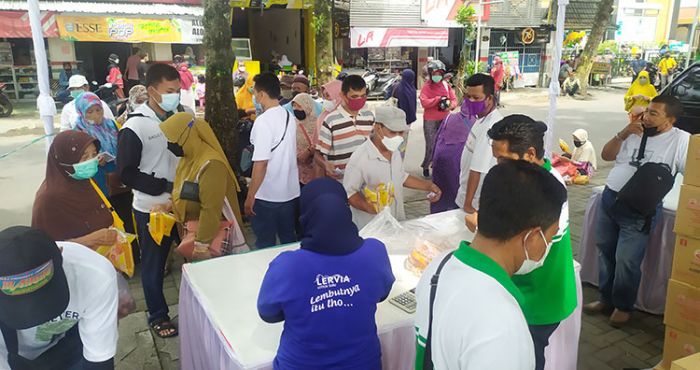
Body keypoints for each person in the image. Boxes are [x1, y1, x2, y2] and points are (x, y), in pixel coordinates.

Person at [415, 160, 567, 370]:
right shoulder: (502, 323)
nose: (548, 246)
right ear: (531, 237)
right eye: (549, 238)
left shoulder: (440, 266)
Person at [257, 178, 395, 370]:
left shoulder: (287, 266)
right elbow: (382, 293)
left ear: (304, 216)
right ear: (346, 210)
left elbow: (268, 313)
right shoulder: (375, 252)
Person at [585, 95, 689, 326]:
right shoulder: (634, 132)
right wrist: (623, 133)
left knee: (626, 260)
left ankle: (623, 305)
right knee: (605, 250)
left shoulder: (680, 140)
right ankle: (605, 298)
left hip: (639, 209)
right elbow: (606, 156)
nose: (646, 117)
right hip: (610, 198)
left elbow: (691, 171)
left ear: (670, 120)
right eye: (647, 111)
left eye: (654, 113)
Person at [486, 116, 577, 370]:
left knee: (526, 359)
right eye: (496, 158)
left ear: (530, 153)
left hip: (539, 300)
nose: (498, 166)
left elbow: (530, 258)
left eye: (504, 160)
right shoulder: (528, 179)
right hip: (528, 295)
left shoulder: (549, 190)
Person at [117, 63, 182, 338]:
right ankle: (158, 315)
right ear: (153, 91)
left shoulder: (182, 116)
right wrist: (160, 186)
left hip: (183, 202)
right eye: (170, 91)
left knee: (198, 254)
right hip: (151, 208)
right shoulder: (136, 126)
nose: (175, 96)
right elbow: (126, 173)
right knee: (154, 264)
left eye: (178, 90)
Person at [0, 226, 118, 370]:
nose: (37, 314)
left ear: (61, 254)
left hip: (69, 345)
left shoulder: (95, 275)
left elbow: (99, 360)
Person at [160, 112, 244, 261]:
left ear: (186, 135)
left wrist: (202, 244)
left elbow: (211, 208)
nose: (168, 144)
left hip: (211, 240)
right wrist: (170, 206)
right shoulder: (188, 159)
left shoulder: (211, 164)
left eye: (171, 138)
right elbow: (185, 192)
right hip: (192, 232)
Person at [344, 106, 442, 229]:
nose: (398, 137)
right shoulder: (360, 158)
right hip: (373, 227)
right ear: (378, 128)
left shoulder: (394, 151)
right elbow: (350, 193)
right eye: (392, 132)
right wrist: (370, 207)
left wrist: (428, 186)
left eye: (401, 132)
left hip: (397, 222)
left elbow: (401, 176)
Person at [31, 130, 117, 248]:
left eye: (94, 154)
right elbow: (43, 248)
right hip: (74, 263)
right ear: (63, 160)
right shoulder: (48, 199)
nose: (91, 161)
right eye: (84, 157)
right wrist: (89, 240)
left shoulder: (82, 180)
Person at [244, 72, 300, 248]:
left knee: (265, 244)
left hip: (266, 195)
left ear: (261, 95)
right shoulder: (289, 116)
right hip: (289, 192)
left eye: (254, 93)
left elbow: (261, 163)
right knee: (288, 241)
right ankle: (291, 273)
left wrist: (250, 196)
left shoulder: (263, 122)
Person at [456, 74, 503, 220]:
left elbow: (477, 170)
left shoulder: (491, 127)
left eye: (476, 98)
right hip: (466, 195)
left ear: (489, 98)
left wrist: (468, 204)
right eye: (468, 97)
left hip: (473, 202)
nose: (471, 101)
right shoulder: (481, 118)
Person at [317, 74, 375, 179]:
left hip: (366, 179)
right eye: (354, 96)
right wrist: (325, 164)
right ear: (343, 95)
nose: (359, 99)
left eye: (363, 96)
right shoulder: (331, 120)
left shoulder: (369, 117)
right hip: (341, 181)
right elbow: (318, 154)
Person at [430, 99, 476, 214]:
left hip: (440, 160)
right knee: (456, 190)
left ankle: (437, 217)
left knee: (439, 191)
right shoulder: (476, 122)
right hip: (457, 161)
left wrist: (432, 159)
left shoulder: (449, 117)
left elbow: (436, 138)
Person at [419, 60, 457, 178]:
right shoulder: (426, 87)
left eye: (439, 73)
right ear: (430, 74)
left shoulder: (446, 85)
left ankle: (437, 166)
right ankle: (426, 165)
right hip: (430, 120)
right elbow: (424, 102)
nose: (437, 76)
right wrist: (437, 99)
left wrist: (451, 105)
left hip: (445, 118)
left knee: (442, 144)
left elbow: (454, 99)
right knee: (431, 145)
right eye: (435, 74)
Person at [292, 93, 320, 186]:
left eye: (299, 106)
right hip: (297, 172)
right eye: (294, 106)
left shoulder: (319, 123)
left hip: (316, 169)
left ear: (307, 106)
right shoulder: (292, 124)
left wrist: (310, 151)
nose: (296, 109)